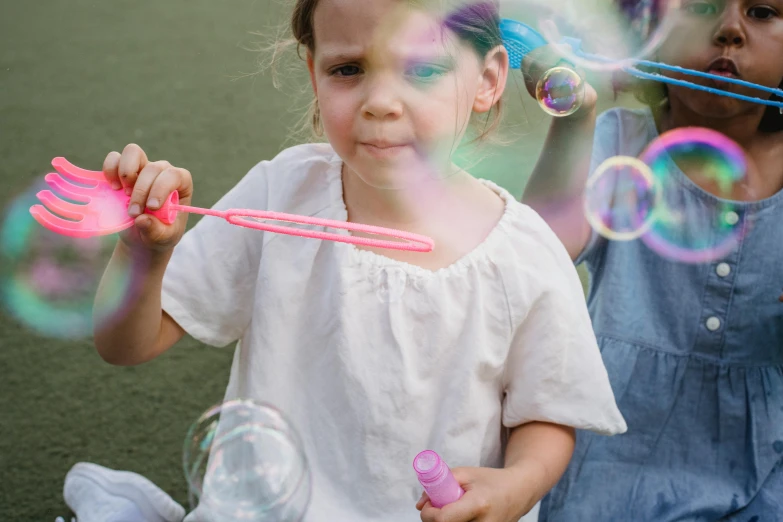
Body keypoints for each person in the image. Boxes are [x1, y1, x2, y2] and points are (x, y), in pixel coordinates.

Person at [64, 1, 627, 521]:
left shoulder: (524, 253)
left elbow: (545, 413)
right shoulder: (279, 196)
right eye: (348, 69)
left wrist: (518, 486)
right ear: (314, 74)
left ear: (487, 80)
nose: (379, 101)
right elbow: (126, 346)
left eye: (422, 69)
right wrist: (145, 253)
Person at [520, 0, 783, 520]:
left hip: (764, 468)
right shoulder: (618, 141)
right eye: (704, 6)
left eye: (761, 11)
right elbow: (534, 253)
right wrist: (576, 116)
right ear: (647, 34)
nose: (729, 29)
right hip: (608, 457)